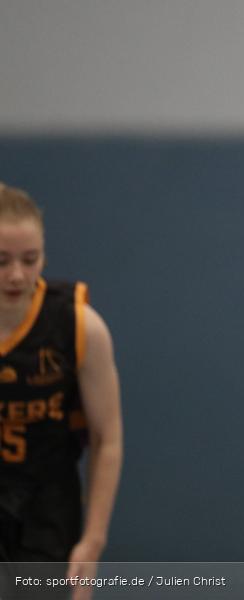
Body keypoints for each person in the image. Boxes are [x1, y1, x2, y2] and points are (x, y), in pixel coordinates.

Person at [0, 182, 123, 600]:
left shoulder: (78, 325)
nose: (17, 274)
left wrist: (93, 540)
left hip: (47, 506)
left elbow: (108, 438)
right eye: (1, 261)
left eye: (29, 259)